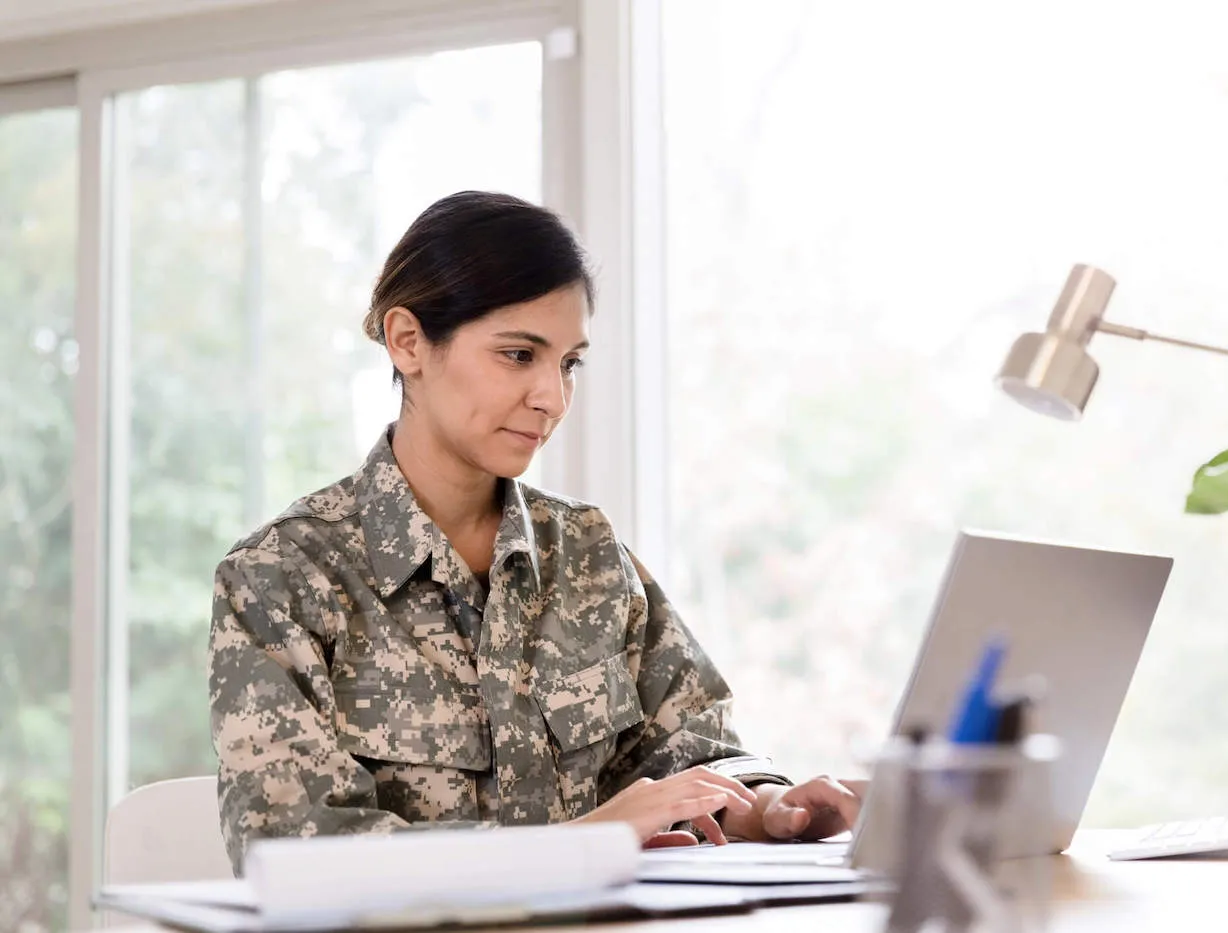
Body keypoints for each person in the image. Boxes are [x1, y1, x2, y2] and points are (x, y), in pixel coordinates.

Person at [208, 191, 861, 873]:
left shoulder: (588, 553)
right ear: (408, 342)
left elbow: (694, 747)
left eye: (569, 362)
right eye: (519, 354)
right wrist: (575, 844)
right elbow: (289, 849)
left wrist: (767, 806)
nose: (552, 396)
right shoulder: (281, 575)